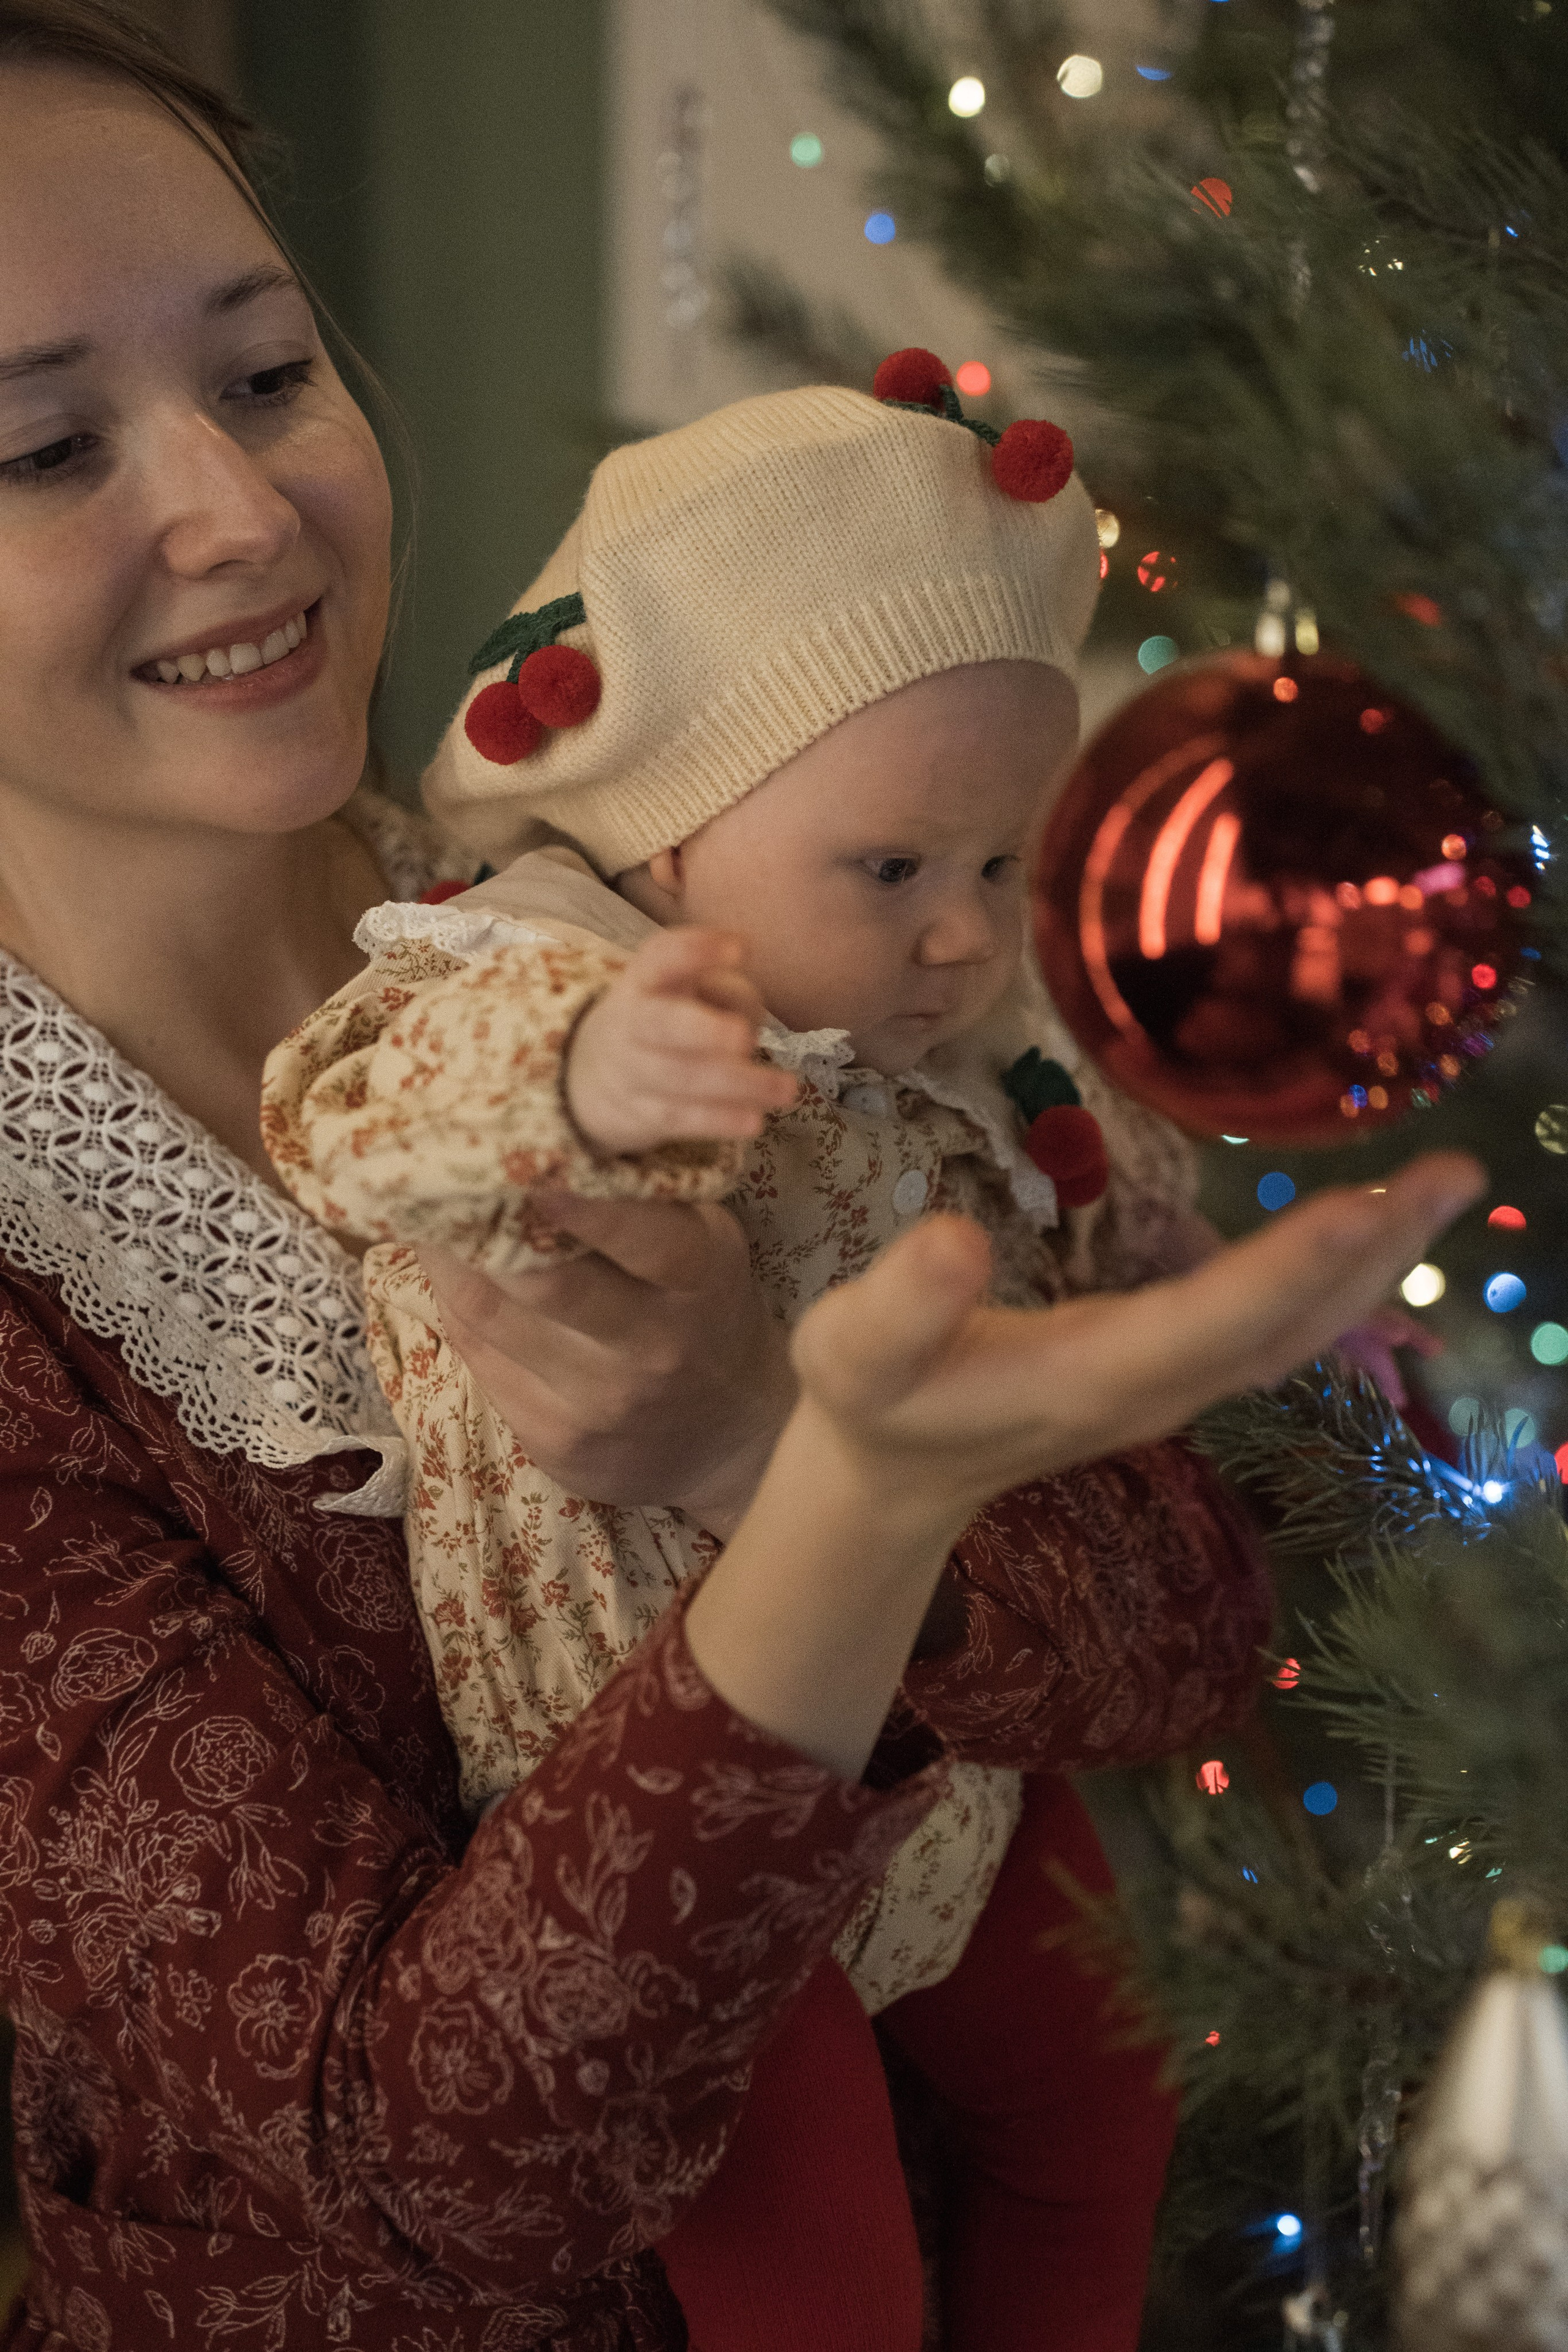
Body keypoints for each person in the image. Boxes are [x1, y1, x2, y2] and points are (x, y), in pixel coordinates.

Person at [0, 7, 1485, 2350]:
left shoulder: (686, 938)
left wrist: (757, 1439)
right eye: (44, 445)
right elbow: (469, 2166)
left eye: (270, 376)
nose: (240, 512)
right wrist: (846, 1507)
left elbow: (1184, 1621)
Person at [260, 379, 1427, 2351]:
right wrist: (584, 1075)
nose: (968, 936)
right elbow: (352, 1121)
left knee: (1097, 2097)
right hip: (655, 1780)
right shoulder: (529, 973)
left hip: (942, 1745)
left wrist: (1215, 1264)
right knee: (820, 2277)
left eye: (1006, 863)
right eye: (896, 870)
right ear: (666, 832)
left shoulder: (943, 1023)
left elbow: (1087, 1166)